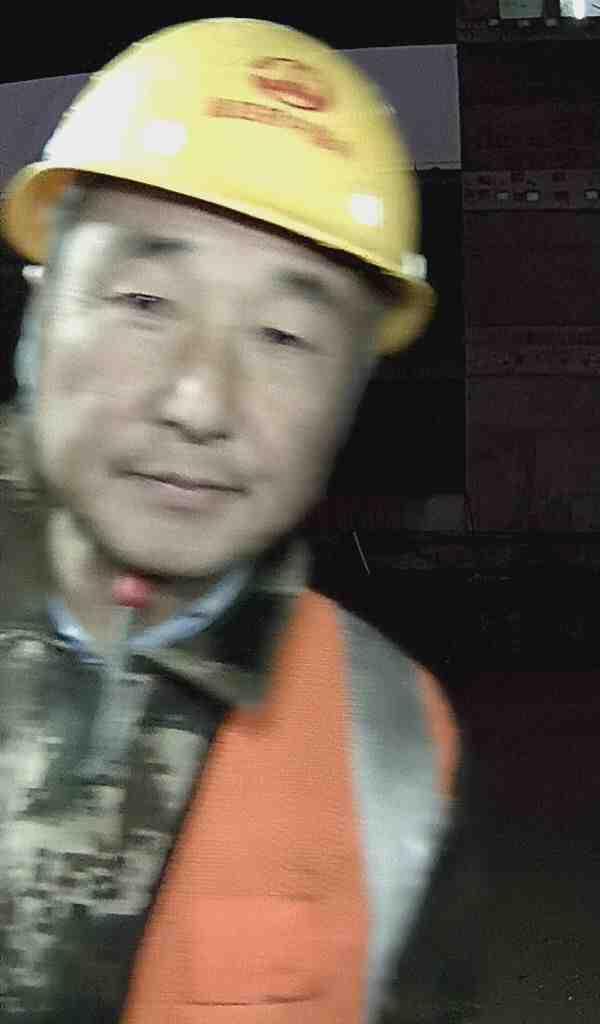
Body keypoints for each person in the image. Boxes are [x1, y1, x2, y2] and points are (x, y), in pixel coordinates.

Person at [0, 17, 475, 1024]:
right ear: (40, 309)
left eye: (284, 335)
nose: (200, 401)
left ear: (354, 388)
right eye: (144, 300)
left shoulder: (389, 739)